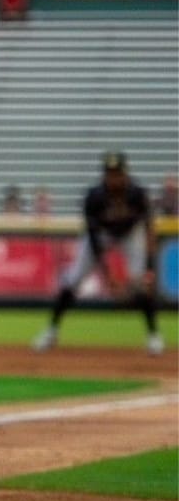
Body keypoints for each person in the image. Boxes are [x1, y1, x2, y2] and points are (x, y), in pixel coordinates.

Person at [31, 151, 164, 357]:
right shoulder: (94, 197)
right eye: (109, 174)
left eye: (117, 173)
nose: (113, 178)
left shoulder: (137, 194)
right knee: (73, 279)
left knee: (140, 284)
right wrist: (108, 274)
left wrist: (150, 268)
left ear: (125, 174)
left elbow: (149, 230)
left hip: (131, 233)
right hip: (102, 234)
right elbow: (93, 239)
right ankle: (51, 331)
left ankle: (153, 336)